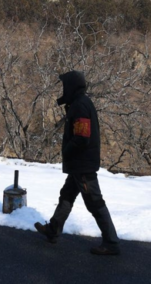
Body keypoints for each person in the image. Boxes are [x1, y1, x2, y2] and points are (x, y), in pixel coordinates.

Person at [34, 70, 121, 255]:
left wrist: (66, 150)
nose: (63, 89)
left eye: (65, 86)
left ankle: (111, 243)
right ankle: (53, 230)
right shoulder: (80, 102)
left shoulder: (80, 105)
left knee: (94, 202)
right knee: (66, 195)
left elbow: (82, 137)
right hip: (79, 164)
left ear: (72, 87)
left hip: (82, 164)